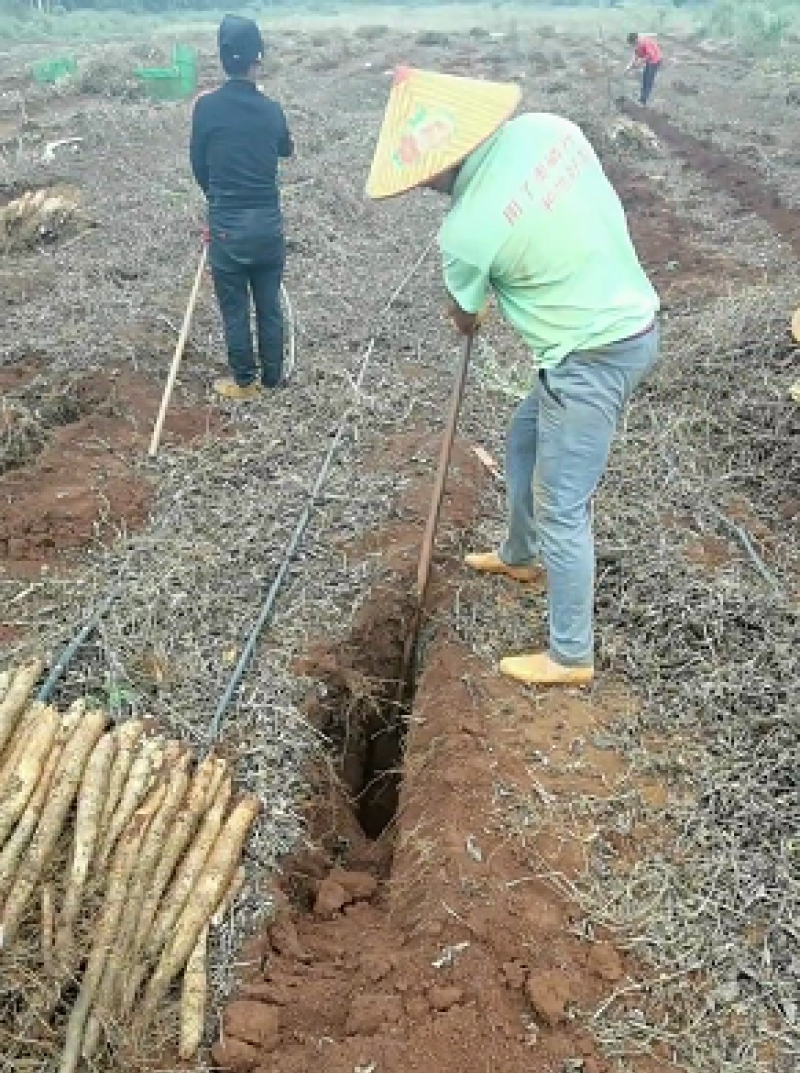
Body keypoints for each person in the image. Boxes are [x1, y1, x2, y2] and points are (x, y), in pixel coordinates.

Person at [366, 68, 659, 688]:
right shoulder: (549, 130)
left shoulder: (465, 233)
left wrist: (467, 302)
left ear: (435, 168)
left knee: (564, 506)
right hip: (629, 320)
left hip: (591, 357)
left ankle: (570, 655)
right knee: (524, 432)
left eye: (422, 178)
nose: (424, 189)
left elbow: (466, 315)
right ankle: (519, 555)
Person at [190, 15, 293, 401]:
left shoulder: (206, 109)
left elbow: (199, 165)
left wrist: (217, 202)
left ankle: (244, 382)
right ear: (259, 58)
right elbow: (286, 148)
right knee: (268, 305)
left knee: (235, 308)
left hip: (228, 227)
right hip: (268, 225)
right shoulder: (272, 109)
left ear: (221, 59)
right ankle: (273, 378)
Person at [625, 32, 663, 107]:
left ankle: (643, 101)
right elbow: (635, 55)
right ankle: (642, 97)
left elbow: (650, 55)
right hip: (649, 61)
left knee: (648, 80)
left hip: (655, 60)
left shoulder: (645, 42)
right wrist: (629, 66)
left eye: (632, 43)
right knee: (644, 79)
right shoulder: (637, 44)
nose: (632, 45)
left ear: (636, 40)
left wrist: (640, 62)